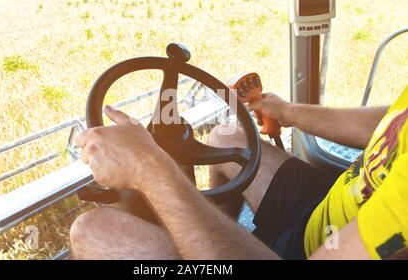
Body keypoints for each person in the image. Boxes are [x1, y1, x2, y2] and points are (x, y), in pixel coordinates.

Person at [70, 85, 408, 260]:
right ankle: (220, 232)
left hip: (318, 248)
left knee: (92, 230)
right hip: (333, 206)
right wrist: (288, 112)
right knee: (227, 138)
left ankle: (221, 245)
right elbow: (396, 119)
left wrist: (149, 167)